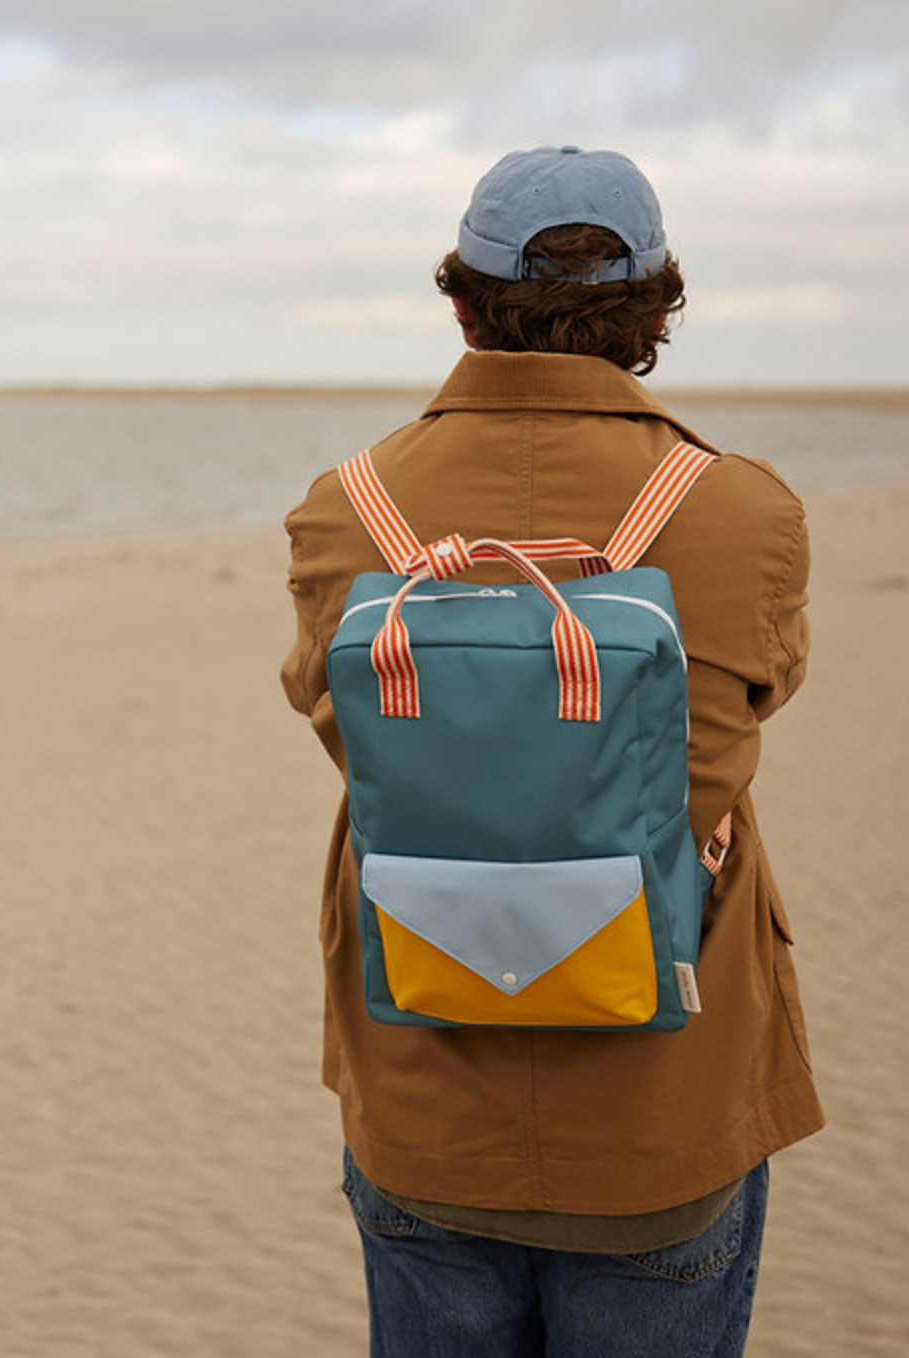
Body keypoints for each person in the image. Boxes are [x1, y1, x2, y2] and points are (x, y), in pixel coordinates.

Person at [280, 146, 824, 1358]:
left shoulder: (344, 505)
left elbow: (329, 711)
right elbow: (763, 690)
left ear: (462, 305)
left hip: (424, 1081)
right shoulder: (745, 509)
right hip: (661, 1098)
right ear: (653, 311)